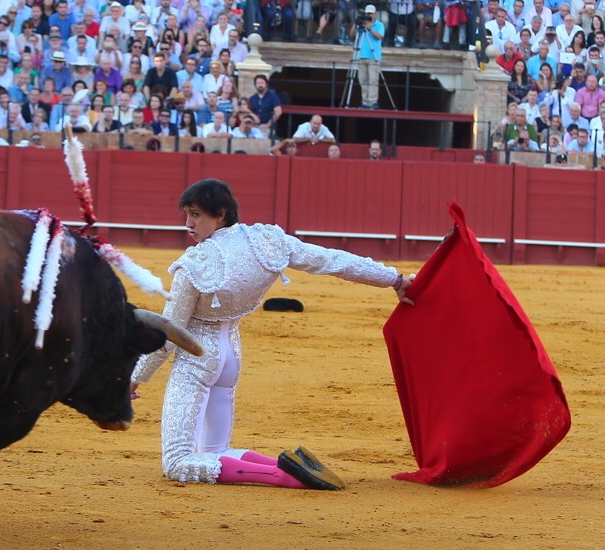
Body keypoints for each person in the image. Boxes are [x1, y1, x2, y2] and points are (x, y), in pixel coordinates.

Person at [130, 179, 414, 489]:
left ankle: (284, 476)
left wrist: (135, 377)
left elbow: (171, 332)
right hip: (230, 360)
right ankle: (290, 465)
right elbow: (331, 260)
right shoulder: (266, 240)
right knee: (215, 451)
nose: (188, 223)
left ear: (220, 214)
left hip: (197, 363)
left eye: (196, 214)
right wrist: (394, 280)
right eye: (187, 214)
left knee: (177, 463)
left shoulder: (194, 264)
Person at [351, 5, 385, 109]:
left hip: (373, 56)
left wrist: (369, 28)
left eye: (370, 13)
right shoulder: (362, 24)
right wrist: (356, 22)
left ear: (375, 14)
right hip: (361, 55)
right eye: (367, 13)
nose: (368, 15)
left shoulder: (379, 24)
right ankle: (365, 102)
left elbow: (379, 37)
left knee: (373, 80)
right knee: (363, 80)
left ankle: (373, 102)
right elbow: (352, 34)